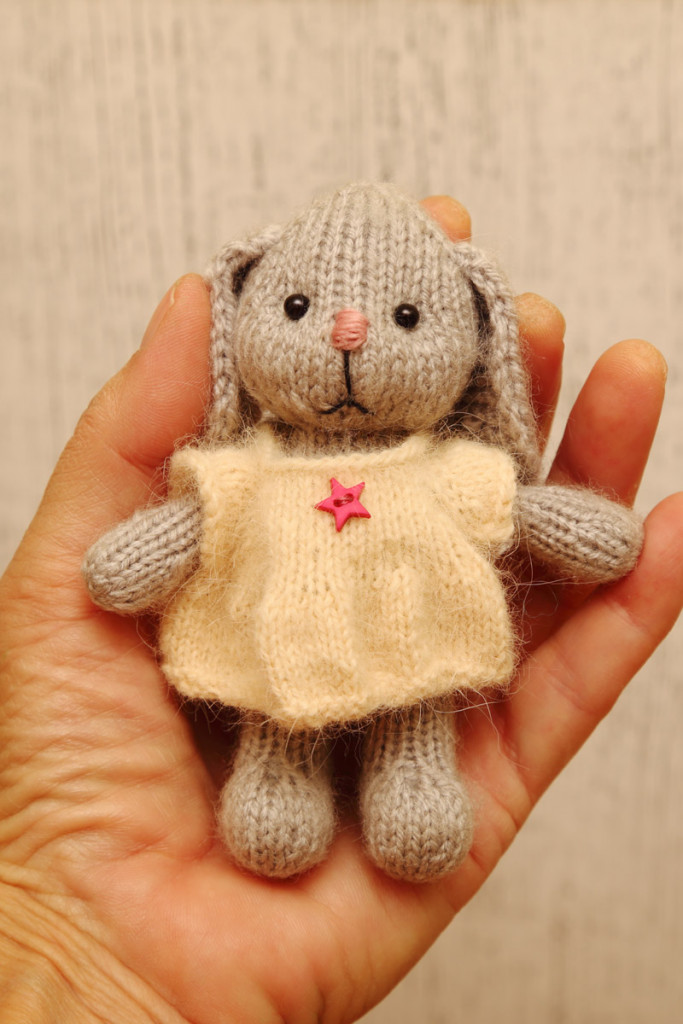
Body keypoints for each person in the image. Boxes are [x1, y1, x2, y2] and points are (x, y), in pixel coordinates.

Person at [0, 195, 680, 1024]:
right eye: (296, 308)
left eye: (404, 318)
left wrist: (573, 527)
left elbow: (518, 508)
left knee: (414, 713)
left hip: (410, 646)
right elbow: (185, 531)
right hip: (280, 654)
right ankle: (278, 773)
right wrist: (136, 557)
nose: (348, 336)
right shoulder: (251, 468)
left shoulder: (441, 467)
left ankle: (411, 772)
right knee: (279, 713)